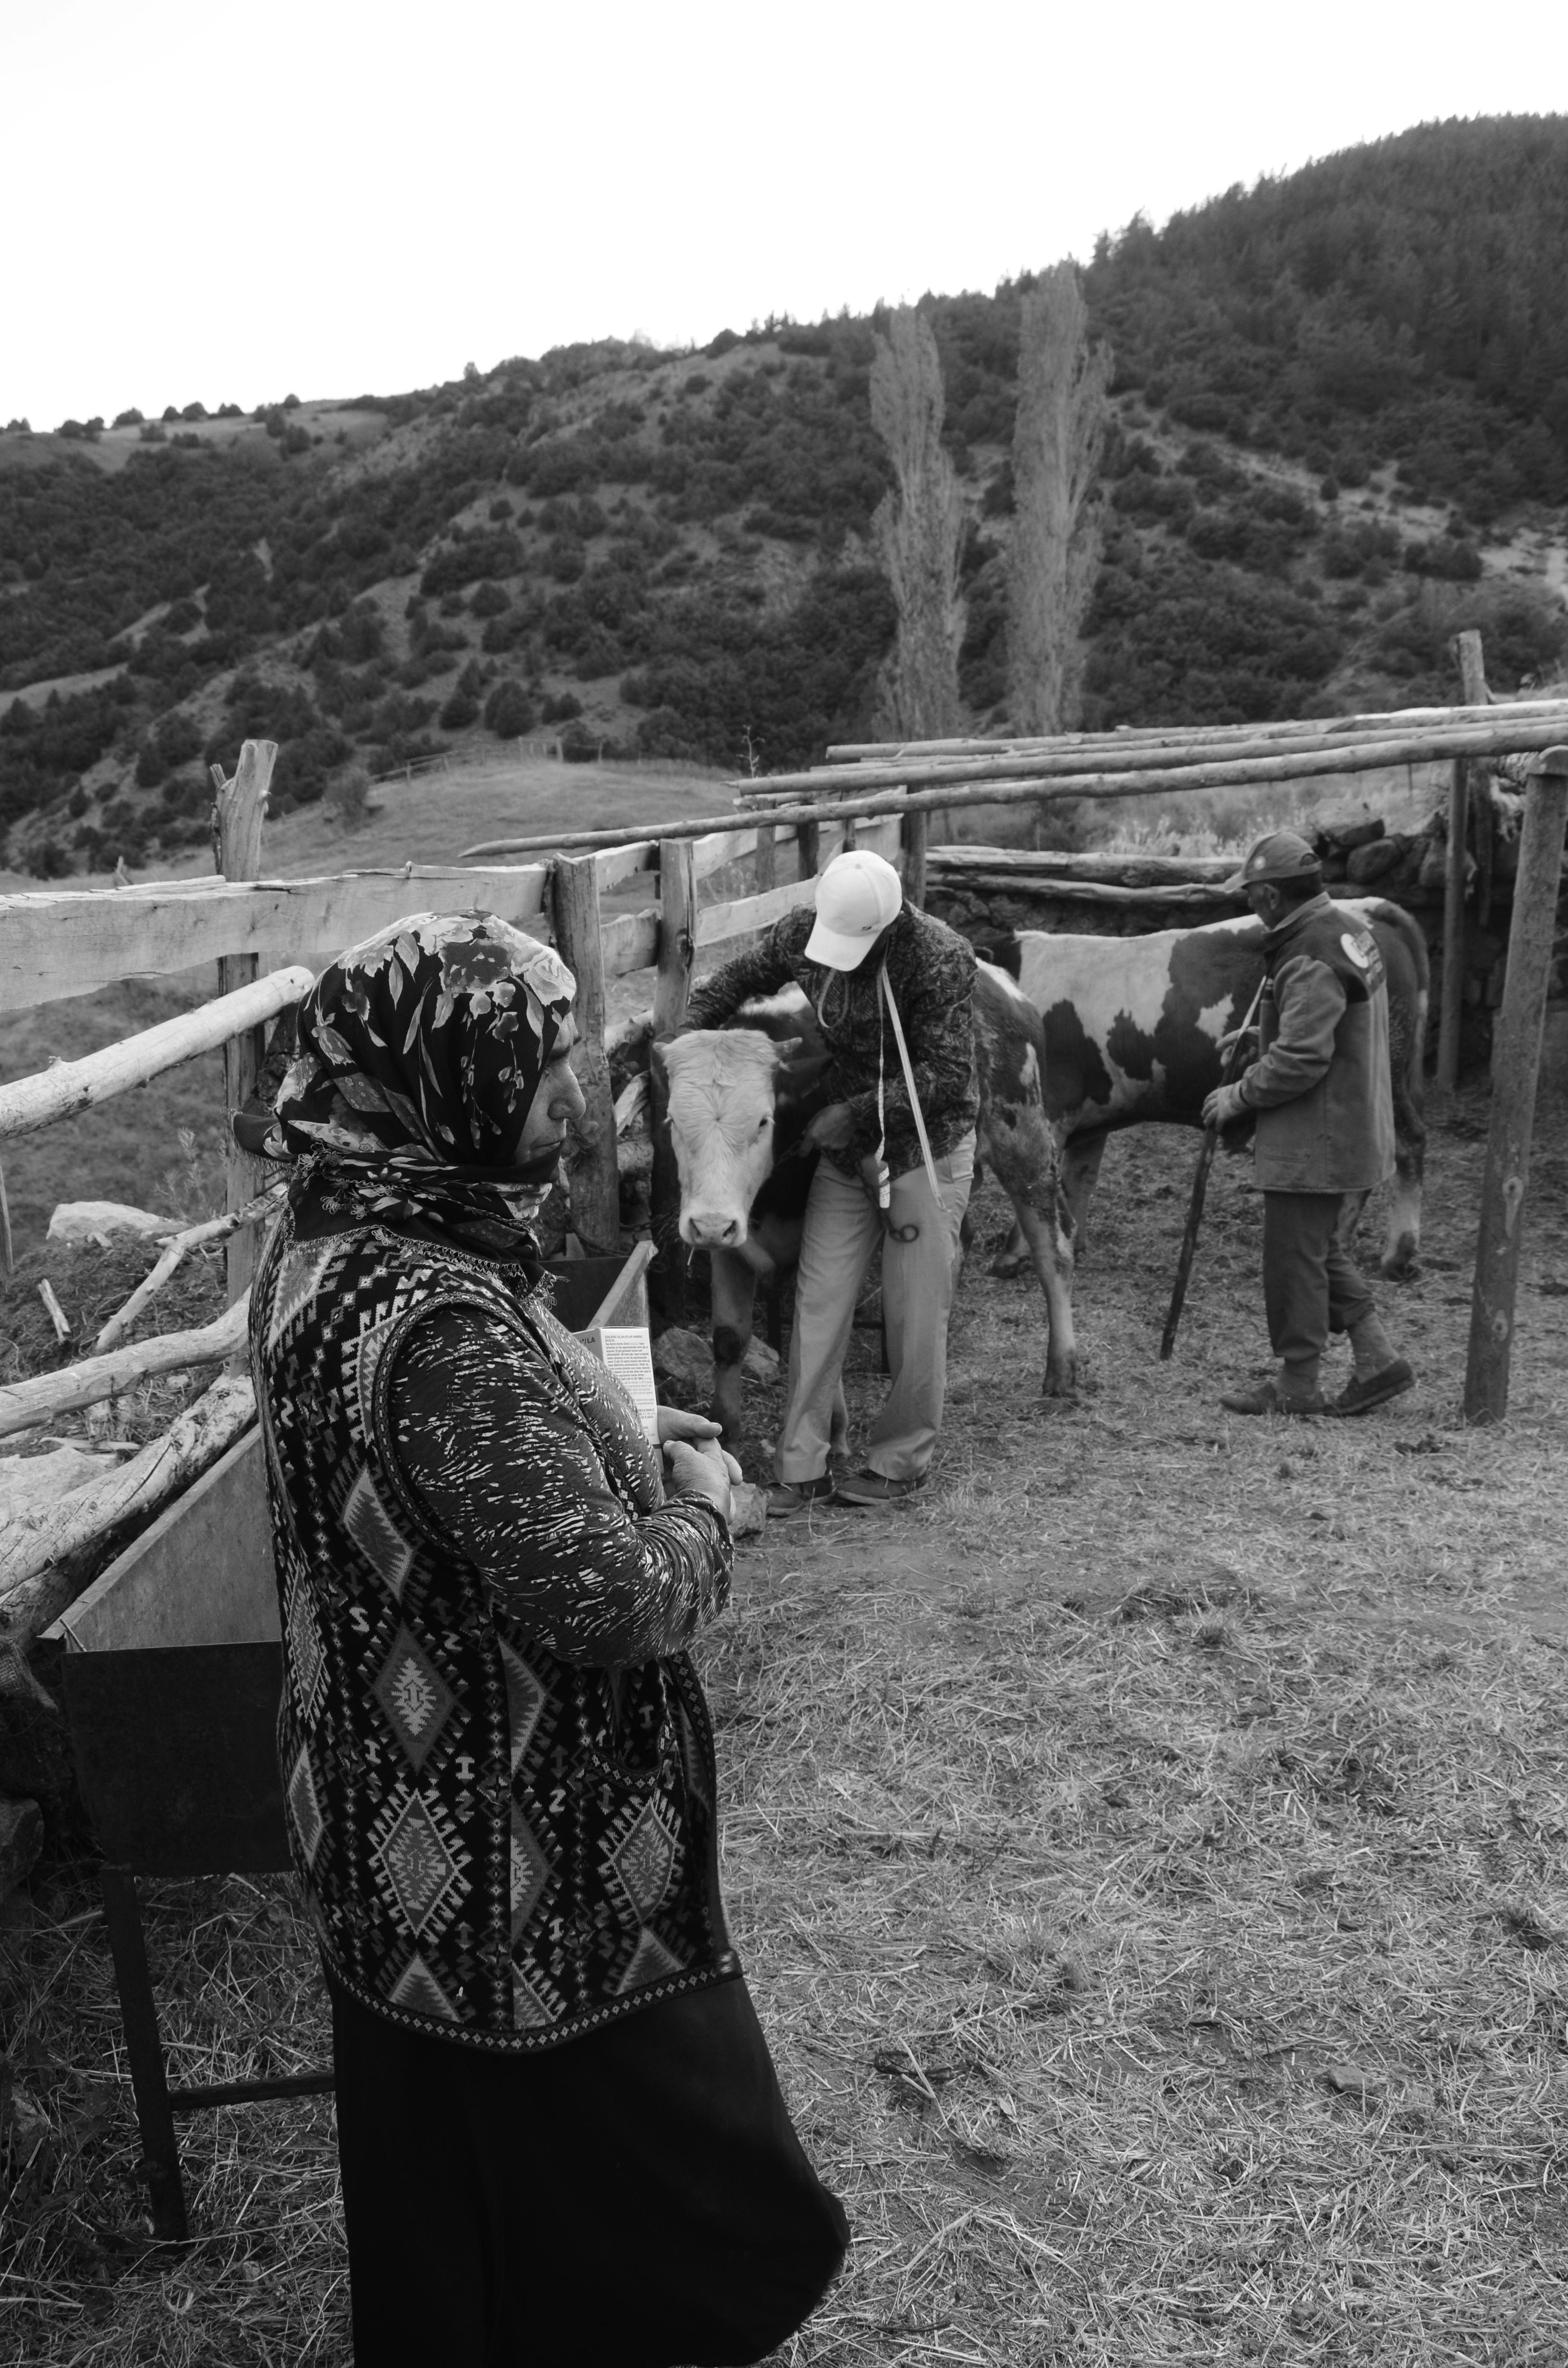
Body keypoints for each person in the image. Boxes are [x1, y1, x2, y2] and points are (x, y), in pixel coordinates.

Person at [242, 912, 847, 2367]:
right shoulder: (439, 1322)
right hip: (509, 1847)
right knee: (656, 2180)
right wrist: (701, 1510)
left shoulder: (337, 1234)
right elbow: (613, 1601)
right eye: (536, 1064)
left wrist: (609, 1426)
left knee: (452, 2178)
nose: (572, 1098)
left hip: (384, 1822)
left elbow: (451, 1471)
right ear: (444, 1077)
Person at [684, 848, 977, 1514]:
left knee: (915, 1310)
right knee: (819, 1301)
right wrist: (688, 1034)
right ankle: (801, 1467)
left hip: (924, 1149)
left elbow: (947, 1074)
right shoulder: (801, 931)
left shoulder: (941, 957)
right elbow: (735, 978)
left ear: (889, 925)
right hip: (846, 1158)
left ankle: (900, 1461)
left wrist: (855, 1113)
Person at [1201, 831, 1416, 1418]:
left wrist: (1238, 1096)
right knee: (1320, 1249)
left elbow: (1302, 1059)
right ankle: (1379, 1360)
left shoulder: (1307, 954)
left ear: (1271, 895)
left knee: (1294, 1258)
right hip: (1351, 1117)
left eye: (1252, 895)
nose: (1250, 905)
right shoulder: (1346, 929)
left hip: (1316, 1134)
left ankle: (1298, 1382)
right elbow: (1335, 1023)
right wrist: (1266, 1033)